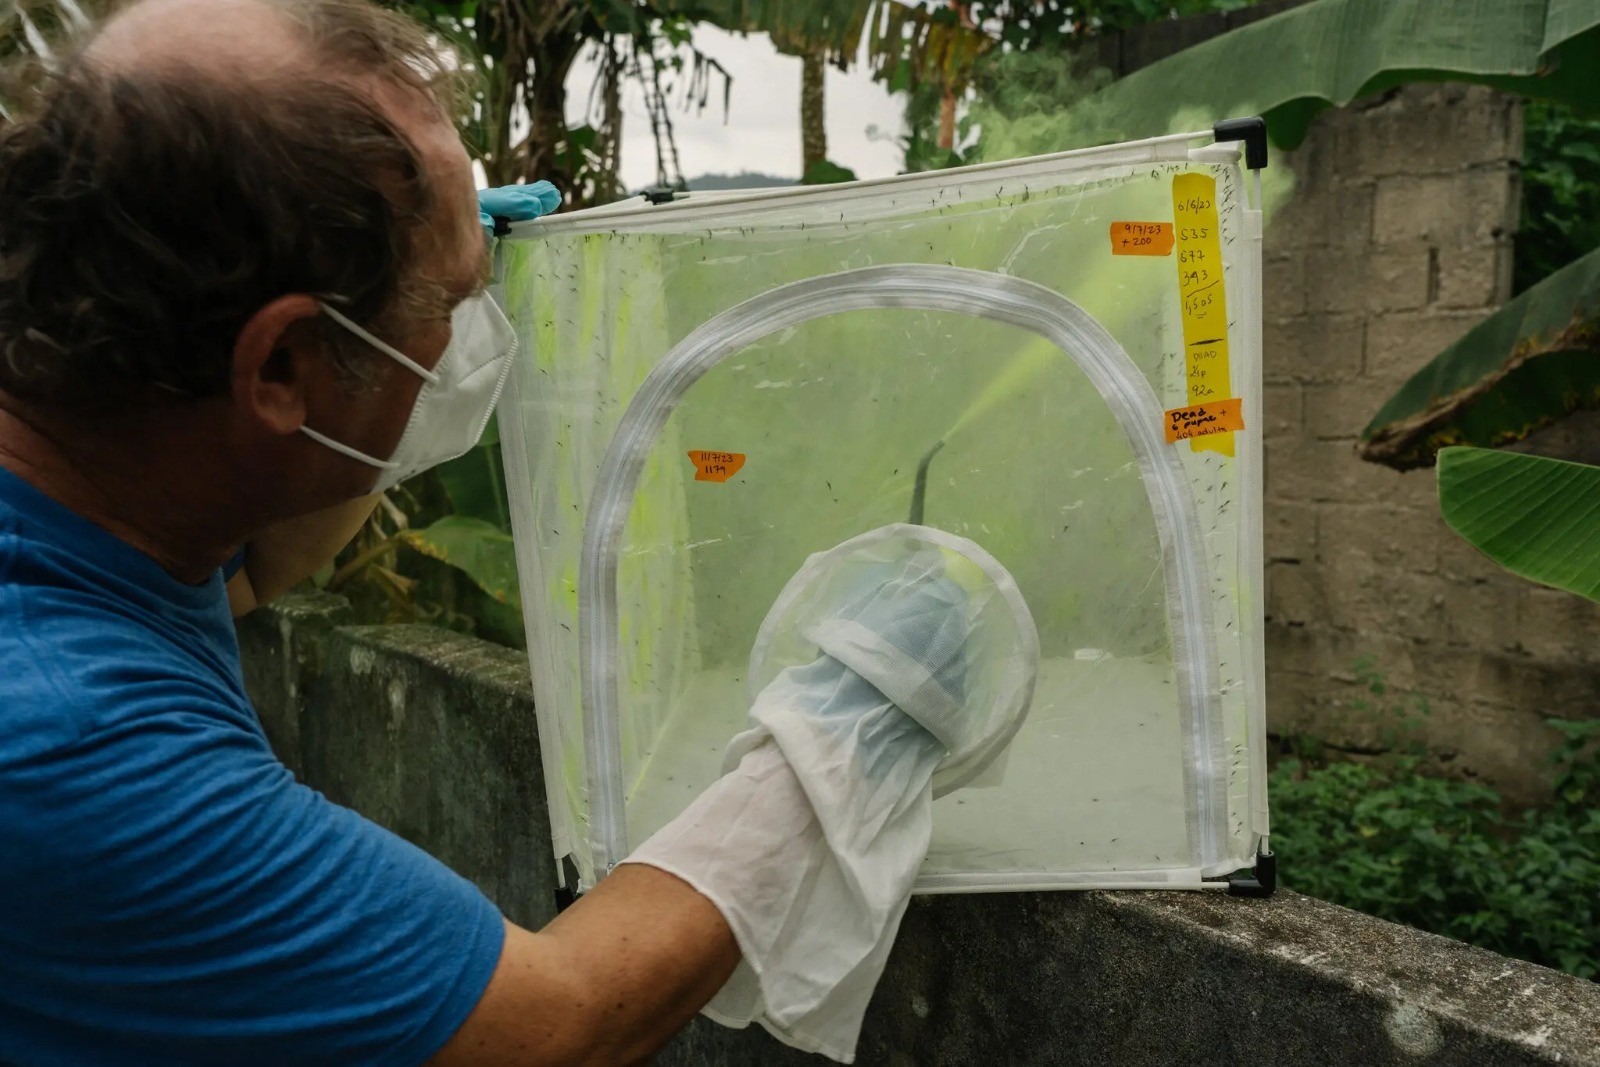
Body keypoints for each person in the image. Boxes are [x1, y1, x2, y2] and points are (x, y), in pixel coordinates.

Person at [0, 1, 953, 1064]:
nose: (470, 336)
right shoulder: (70, 750)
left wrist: (401, 344)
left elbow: (239, 572)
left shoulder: (86, 497)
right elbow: (556, 1021)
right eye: (454, 302)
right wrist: (845, 725)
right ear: (278, 368)